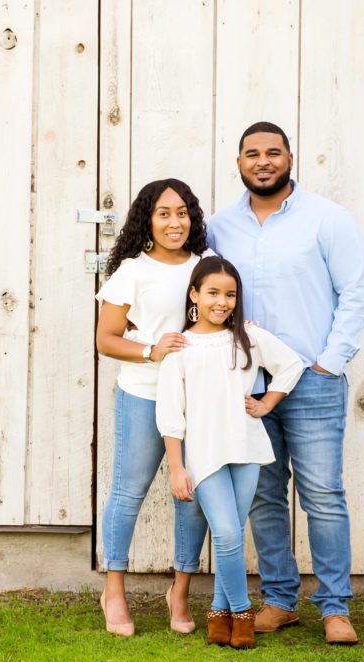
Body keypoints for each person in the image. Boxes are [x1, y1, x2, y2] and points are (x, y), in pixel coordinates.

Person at [206, 121, 364, 645]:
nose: (263, 161)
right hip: (247, 385)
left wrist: (329, 361)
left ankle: (334, 607)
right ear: (238, 163)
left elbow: (357, 291)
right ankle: (280, 600)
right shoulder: (219, 227)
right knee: (263, 496)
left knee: (323, 494)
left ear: (290, 158)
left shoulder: (328, 219)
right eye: (252, 153)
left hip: (312, 381)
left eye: (273, 153)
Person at [156, 256, 303, 649]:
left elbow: (290, 364)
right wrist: (176, 467)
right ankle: (241, 613)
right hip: (204, 454)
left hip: (246, 445)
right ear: (194, 295)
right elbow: (170, 414)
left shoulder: (247, 338)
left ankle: (218, 614)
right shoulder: (180, 349)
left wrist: (267, 402)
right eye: (213, 293)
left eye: (230, 295)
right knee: (224, 533)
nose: (222, 302)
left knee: (232, 535)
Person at [95, 178, 213, 637]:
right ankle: (114, 591)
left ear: (193, 218)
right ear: (147, 219)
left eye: (182, 212)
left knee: (193, 494)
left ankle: (179, 592)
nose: (174, 222)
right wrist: (150, 350)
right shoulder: (132, 271)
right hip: (144, 393)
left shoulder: (207, 265)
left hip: (197, 399)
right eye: (163, 213)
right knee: (129, 492)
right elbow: (106, 339)